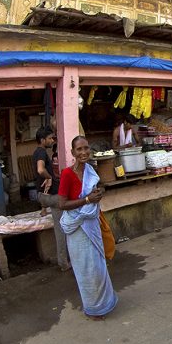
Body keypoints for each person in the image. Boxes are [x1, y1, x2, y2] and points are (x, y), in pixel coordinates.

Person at [58, 135, 118, 318]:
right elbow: (62, 204)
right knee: (85, 270)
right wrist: (86, 199)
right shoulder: (67, 174)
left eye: (86, 148)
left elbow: (97, 189)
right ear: (73, 153)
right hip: (77, 229)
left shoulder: (91, 170)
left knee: (98, 266)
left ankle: (104, 304)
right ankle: (93, 308)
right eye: (79, 149)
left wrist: (98, 193)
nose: (83, 152)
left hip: (91, 224)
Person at [34, 126, 69, 272]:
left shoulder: (39, 152)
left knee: (62, 224)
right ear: (43, 140)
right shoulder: (41, 152)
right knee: (61, 228)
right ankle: (64, 262)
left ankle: (65, 259)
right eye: (49, 138)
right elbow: (40, 170)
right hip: (51, 197)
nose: (52, 140)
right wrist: (48, 177)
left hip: (46, 196)